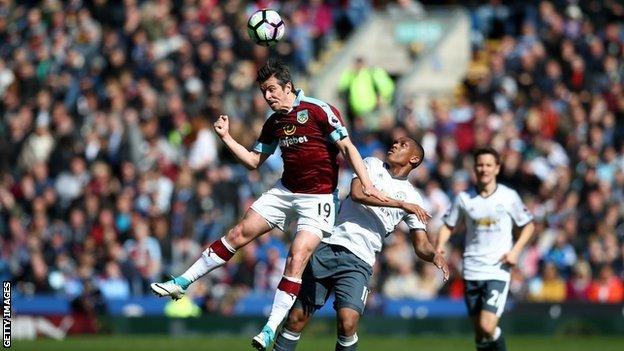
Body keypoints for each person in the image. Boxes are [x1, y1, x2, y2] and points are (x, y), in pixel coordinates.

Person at [150, 58, 387, 350]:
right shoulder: (274, 122)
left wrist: (367, 181)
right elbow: (253, 161)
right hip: (286, 189)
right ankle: (182, 282)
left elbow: (347, 147)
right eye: (264, 91)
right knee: (238, 233)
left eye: (272, 89)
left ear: (288, 87)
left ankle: (269, 329)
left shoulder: (318, 110)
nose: (268, 96)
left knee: (297, 256)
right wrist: (226, 138)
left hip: (319, 198)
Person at [273, 136, 450, 351]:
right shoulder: (371, 164)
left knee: (348, 322)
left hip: (360, 259)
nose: (394, 144)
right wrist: (401, 205)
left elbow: (421, 245)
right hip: (328, 246)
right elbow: (357, 194)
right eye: (395, 142)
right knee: (296, 318)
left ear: (413, 159)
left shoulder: (414, 197)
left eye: (402, 145)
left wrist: (434, 256)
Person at [435, 147, 535, 351]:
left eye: (489, 165)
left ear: (497, 168)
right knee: (480, 334)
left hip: (498, 268)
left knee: (487, 326)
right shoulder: (464, 198)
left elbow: (529, 225)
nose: (484, 169)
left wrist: (515, 251)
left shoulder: (508, 196)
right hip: (471, 268)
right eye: (480, 165)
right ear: (474, 168)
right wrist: (439, 246)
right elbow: (448, 225)